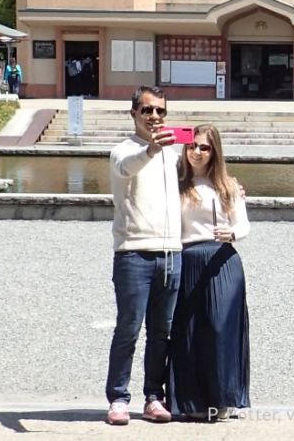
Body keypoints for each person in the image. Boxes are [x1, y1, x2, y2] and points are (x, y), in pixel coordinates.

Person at [105, 85, 182, 426]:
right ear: (133, 113)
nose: (154, 117)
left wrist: (230, 190)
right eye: (147, 110)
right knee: (128, 329)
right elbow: (127, 169)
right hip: (134, 253)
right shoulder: (124, 150)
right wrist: (151, 149)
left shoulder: (174, 152)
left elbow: (196, 184)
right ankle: (119, 398)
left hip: (170, 252)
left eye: (160, 111)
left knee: (162, 332)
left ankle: (154, 396)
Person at [168, 124, 250, 421]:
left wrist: (232, 232)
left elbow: (244, 224)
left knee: (219, 328)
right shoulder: (173, 183)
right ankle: (190, 402)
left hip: (221, 259)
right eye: (192, 146)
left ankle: (222, 399)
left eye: (204, 147)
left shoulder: (227, 185)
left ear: (214, 151)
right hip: (186, 258)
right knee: (187, 331)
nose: (197, 152)